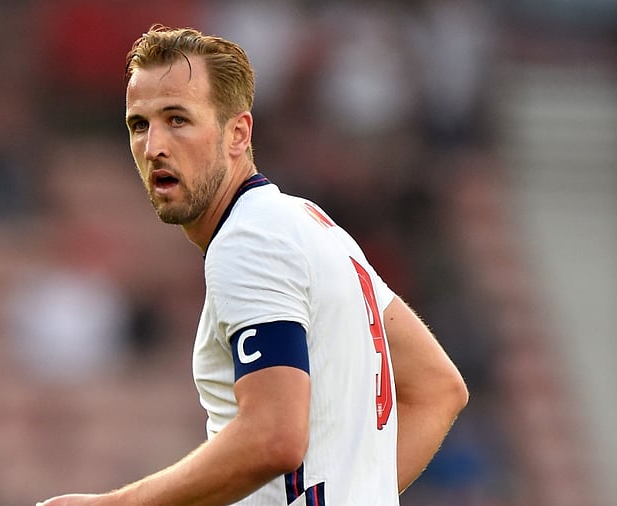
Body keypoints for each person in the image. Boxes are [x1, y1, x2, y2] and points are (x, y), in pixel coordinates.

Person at [39, 25, 468, 506]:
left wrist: (116, 505)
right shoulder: (314, 227)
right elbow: (437, 389)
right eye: (139, 124)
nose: (154, 144)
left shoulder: (249, 239)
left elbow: (273, 438)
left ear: (237, 133)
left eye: (177, 119)